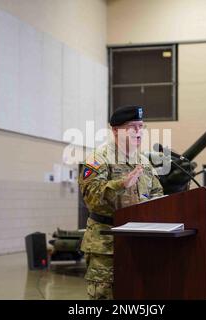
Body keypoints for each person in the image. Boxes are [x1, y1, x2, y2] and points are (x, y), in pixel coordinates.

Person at [78, 105, 164, 300]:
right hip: (106, 245)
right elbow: (91, 198)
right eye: (132, 127)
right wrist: (122, 184)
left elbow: (157, 191)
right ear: (116, 130)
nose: (139, 131)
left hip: (139, 242)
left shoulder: (143, 161)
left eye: (141, 126)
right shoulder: (97, 159)